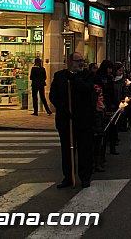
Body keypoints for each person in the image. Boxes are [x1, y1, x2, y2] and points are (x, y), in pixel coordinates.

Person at [49, 52, 96, 189]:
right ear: (70, 62)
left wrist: (75, 78)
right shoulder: (60, 76)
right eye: (77, 60)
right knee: (67, 149)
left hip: (83, 120)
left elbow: (88, 90)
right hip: (66, 120)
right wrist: (63, 107)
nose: (81, 63)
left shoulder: (87, 75)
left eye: (82, 60)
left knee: (84, 150)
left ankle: (85, 177)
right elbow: (53, 95)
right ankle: (68, 177)